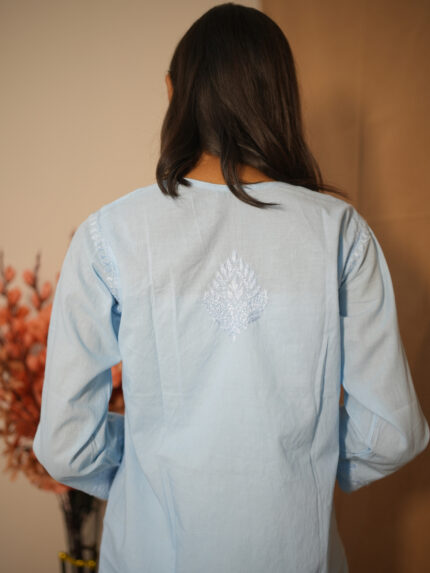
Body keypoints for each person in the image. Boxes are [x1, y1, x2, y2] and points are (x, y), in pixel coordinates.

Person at [33, 3, 429, 572]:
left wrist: (150, 459)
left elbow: (67, 445)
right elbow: (391, 432)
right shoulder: (340, 233)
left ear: (173, 92)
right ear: (281, 98)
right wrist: (300, 461)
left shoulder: (110, 236)